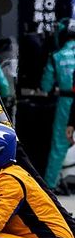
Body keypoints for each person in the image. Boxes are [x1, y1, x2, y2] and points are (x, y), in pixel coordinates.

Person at [43, 19, 75, 188]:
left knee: (59, 145)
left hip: (66, 103)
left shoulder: (57, 56)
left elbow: (45, 85)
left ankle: (50, 186)